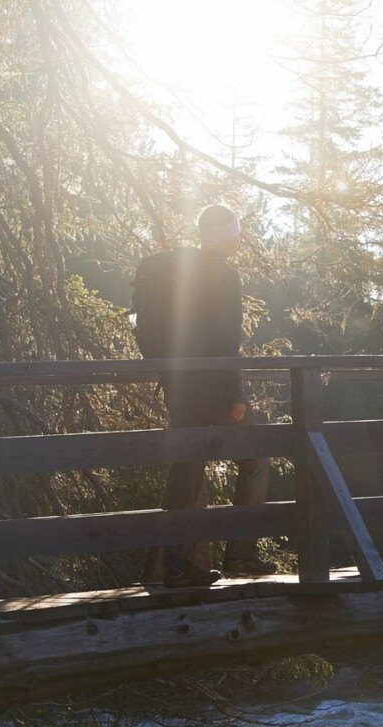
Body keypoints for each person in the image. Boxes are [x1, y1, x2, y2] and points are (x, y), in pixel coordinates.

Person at [135, 205, 273, 588]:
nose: (238, 238)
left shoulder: (180, 271)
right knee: (257, 455)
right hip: (212, 388)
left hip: (178, 384)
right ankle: (241, 554)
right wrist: (235, 392)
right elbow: (227, 339)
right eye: (235, 231)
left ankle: (178, 565)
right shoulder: (224, 275)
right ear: (225, 235)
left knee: (187, 465)